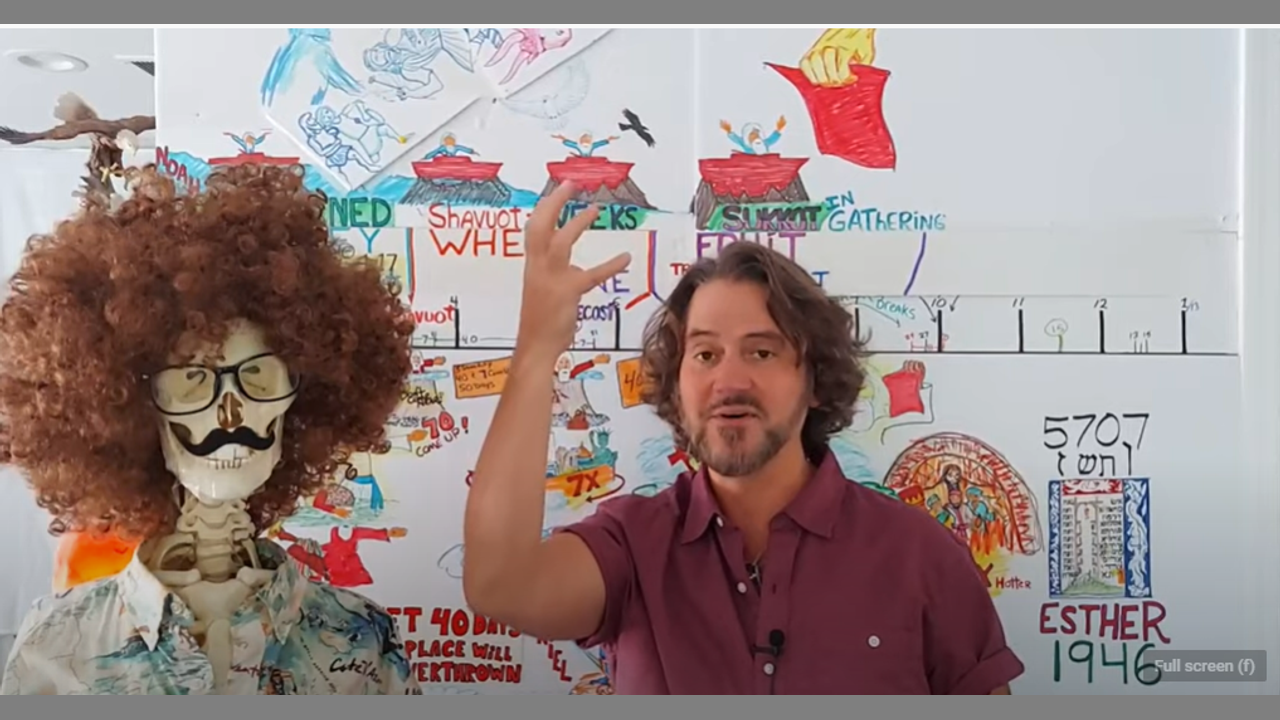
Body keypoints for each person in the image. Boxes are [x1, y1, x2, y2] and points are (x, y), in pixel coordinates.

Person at [463, 183, 1023, 694]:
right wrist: (537, 347)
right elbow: (501, 585)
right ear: (677, 384)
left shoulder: (921, 556)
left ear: (816, 382)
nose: (729, 381)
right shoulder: (632, 547)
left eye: (761, 351)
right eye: (705, 354)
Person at [0, 164, 420, 695]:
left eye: (259, 377)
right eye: (192, 381)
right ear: (135, 406)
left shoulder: (361, 641)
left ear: (302, 398)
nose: (230, 414)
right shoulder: (55, 648)